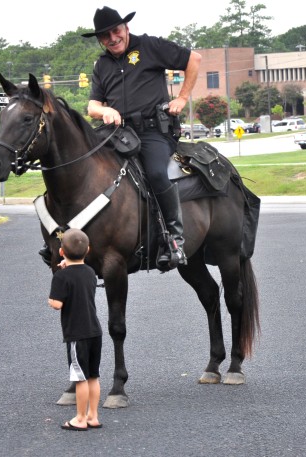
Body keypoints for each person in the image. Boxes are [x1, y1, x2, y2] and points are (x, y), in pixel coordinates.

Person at [82, 6, 202, 270]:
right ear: (100, 39)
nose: (112, 38)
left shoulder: (150, 46)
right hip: (116, 133)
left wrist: (182, 97)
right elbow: (92, 107)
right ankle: (66, 236)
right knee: (84, 166)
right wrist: (105, 110)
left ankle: (174, 238)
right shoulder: (102, 65)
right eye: (105, 36)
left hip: (152, 133)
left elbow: (194, 59)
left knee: (157, 174)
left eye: (116, 31)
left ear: (126, 28)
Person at [48, 228, 103, 431]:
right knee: (93, 377)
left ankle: (79, 419)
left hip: (77, 334)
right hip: (95, 331)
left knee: (79, 378)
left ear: (61, 252)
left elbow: (56, 304)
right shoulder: (90, 272)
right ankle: (93, 416)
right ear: (88, 250)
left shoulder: (61, 277)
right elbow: (77, 277)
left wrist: (51, 298)